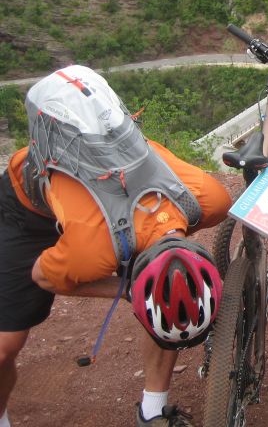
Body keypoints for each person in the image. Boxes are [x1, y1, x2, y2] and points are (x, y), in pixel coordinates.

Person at [0, 65, 232, 427]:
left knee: (163, 296)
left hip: (113, 210)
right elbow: (41, 277)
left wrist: (153, 282)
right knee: (5, 347)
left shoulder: (209, 200)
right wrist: (128, 289)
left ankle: (152, 412)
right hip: (27, 212)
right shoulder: (91, 249)